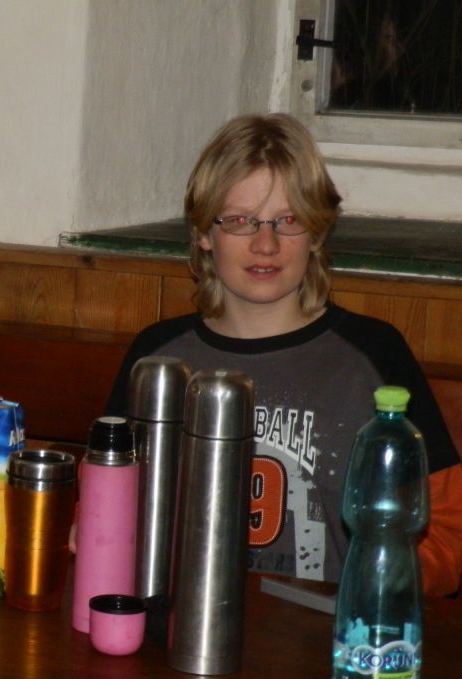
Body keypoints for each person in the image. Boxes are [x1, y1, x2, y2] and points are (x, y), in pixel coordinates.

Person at [106, 113, 462, 596]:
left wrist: (379, 588)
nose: (266, 244)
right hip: (178, 625)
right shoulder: (157, 359)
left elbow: (446, 531)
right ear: (204, 233)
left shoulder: (373, 355)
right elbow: (106, 511)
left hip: (328, 633)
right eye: (240, 221)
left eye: (288, 220)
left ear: (317, 234)